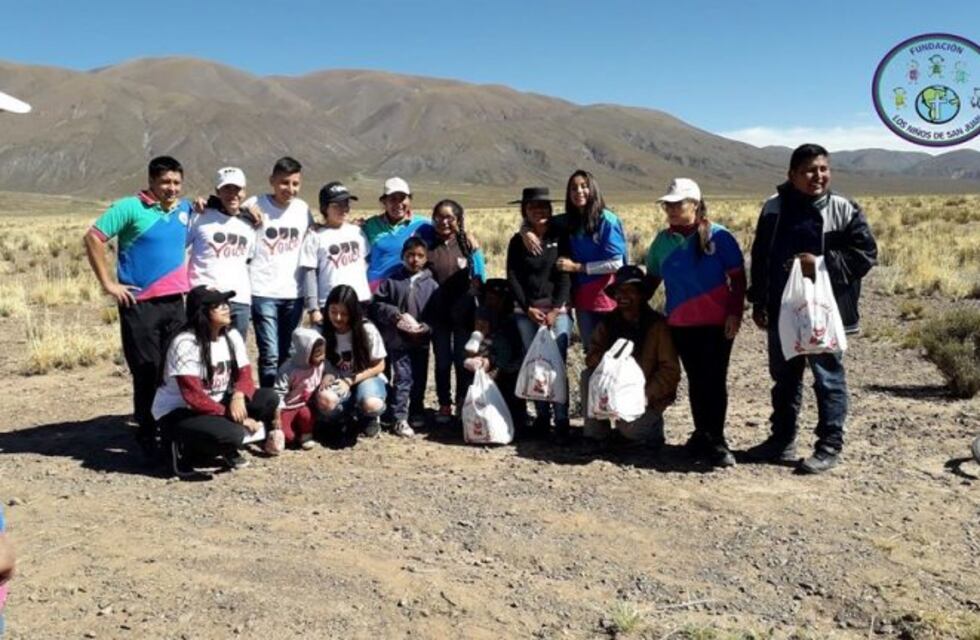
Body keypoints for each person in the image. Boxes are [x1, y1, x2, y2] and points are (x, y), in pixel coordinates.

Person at [746, 143, 878, 474]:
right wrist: (759, 300)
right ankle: (782, 440)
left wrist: (820, 264)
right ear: (792, 175)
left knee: (827, 378)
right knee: (784, 378)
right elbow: (761, 256)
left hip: (825, 311)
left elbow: (865, 255)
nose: (818, 176)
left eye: (823, 169)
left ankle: (829, 446)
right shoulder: (774, 208)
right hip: (782, 308)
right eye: (809, 170)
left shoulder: (843, 208)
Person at [84, 155, 192, 457]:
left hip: (175, 302)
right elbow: (93, 238)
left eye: (176, 182)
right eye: (165, 182)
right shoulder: (130, 207)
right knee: (147, 370)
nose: (171, 188)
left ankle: (170, 428)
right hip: (140, 303)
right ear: (151, 181)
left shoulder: (184, 209)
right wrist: (108, 284)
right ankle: (146, 432)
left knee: (173, 367)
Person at [645, 178, 746, 467]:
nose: (671, 209)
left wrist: (735, 313)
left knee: (714, 380)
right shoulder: (662, 242)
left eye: (678, 204)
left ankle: (717, 440)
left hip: (717, 324)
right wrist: (627, 303)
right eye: (668, 205)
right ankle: (703, 434)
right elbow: (651, 281)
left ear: (695, 204)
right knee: (696, 380)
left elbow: (738, 279)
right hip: (681, 324)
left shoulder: (719, 237)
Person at [152, 286, 282, 479]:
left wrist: (238, 395)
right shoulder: (186, 343)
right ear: (202, 312)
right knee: (233, 434)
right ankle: (179, 447)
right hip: (180, 411)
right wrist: (238, 419)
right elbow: (193, 397)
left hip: (216, 402)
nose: (226, 307)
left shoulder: (231, 335)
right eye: (217, 305)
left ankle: (222, 445)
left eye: (225, 303)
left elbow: (245, 375)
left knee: (269, 398)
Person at [581, 266, 681, 447]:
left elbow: (670, 371)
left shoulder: (657, 326)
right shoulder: (608, 323)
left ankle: (652, 429)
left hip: (645, 396)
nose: (623, 296)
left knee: (630, 431)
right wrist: (608, 365)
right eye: (619, 291)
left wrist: (644, 396)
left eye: (629, 291)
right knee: (588, 376)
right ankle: (597, 434)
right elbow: (592, 355)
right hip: (611, 391)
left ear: (641, 295)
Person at [506, 187, 572, 439]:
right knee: (535, 362)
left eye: (543, 206)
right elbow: (513, 276)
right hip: (527, 312)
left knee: (557, 363)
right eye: (532, 206)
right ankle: (542, 417)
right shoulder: (517, 241)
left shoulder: (561, 236)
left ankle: (562, 418)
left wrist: (555, 309)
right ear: (525, 210)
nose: (538, 210)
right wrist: (527, 308)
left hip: (558, 311)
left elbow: (565, 276)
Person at [244, 156, 313, 388]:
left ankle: (282, 397)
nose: (290, 189)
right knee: (270, 353)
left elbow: (313, 237)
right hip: (263, 290)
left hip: (294, 292)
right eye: (284, 182)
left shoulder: (302, 209)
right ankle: (267, 398)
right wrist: (245, 208)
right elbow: (230, 209)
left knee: (287, 352)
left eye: (295, 183)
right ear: (272, 181)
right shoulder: (256, 203)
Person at [371, 237, 439, 437]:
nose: (414, 260)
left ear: (426, 258)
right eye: (410, 255)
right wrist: (395, 315)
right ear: (402, 256)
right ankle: (399, 417)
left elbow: (436, 315)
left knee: (419, 377)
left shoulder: (432, 285)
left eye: (419, 256)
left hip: (420, 341)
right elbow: (378, 305)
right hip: (398, 341)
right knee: (403, 378)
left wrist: (426, 327)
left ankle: (416, 410)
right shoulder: (392, 281)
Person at [427, 199, 486, 425]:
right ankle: (444, 403)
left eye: (449, 217)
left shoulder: (467, 244)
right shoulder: (428, 246)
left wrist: (476, 253)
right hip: (438, 314)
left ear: (459, 220)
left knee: (463, 360)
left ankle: (463, 401)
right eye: (439, 217)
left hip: (465, 314)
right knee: (442, 361)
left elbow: (480, 276)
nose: (444, 222)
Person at [555, 170, 628, 350]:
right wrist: (526, 230)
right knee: (591, 350)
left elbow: (616, 263)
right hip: (582, 299)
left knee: (613, 352)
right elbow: (539, 220)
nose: (579, 191)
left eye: (584, 186)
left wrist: (578, 267)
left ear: (593, 189)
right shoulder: (570, 221)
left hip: (607, 298)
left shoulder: (607, 221)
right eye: (573, 188)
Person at [186, 167, 257, 338]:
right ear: (218, 191)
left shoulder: (249, 224)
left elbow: (249, 259)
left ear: (244, 192)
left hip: (239, 299)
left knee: (236, 349)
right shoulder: (200, 216)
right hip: (206, 297)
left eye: (237, 189)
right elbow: (180, 249)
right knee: (202, 347)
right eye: (227, 189)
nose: (232, 194)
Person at [318, 285, 388, 439]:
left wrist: (350, 380)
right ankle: (342, 417)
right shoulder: (321, 330)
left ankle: (368, 417)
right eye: (333, 312)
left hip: (365, 378)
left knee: (372, 404)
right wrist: (327, 372)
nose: (338, 318)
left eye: (344, 313)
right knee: (326, 400)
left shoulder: (366, 329)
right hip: (336, 378)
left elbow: (380, 365)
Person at [301, 181, 371, 326]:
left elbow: (366, 262)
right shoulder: (315, 236)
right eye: (337, 205)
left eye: (346, 204)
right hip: (331, 303)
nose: (343, 209)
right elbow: (309, 273)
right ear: (324, 208)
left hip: (360, 300)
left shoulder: (357, 232)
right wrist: (313, 308)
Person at [466, 279, 529, 437]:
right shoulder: (481, 313)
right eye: (488, 297)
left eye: (495, 298)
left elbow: (508, 351)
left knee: (508, 385)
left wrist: (491, 361)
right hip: (485, 362)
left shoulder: (512, 321)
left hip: (506, 368)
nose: (491, 301)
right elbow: (472, 346)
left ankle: (515, 422)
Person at [362, 177, 434, 291]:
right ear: (384, 201)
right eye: (393, 199)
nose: (398, 204)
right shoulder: (369, 225)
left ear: (409, 200)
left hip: (407, 290)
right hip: (376, 290)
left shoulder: (424, 225)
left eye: (402, 198)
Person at [273, 327, 327, 450]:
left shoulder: (319, 366)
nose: (322, 357)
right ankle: (293, 432)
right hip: (288, 408)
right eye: (318, 354)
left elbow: (328, 373)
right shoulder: (288, 370)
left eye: (323, 353)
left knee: (306, 415)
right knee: (288, 438)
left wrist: (327, 377)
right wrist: (277, 417)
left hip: (305, 405)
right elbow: (278, 394)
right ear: (305, 353)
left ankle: (306, 434)